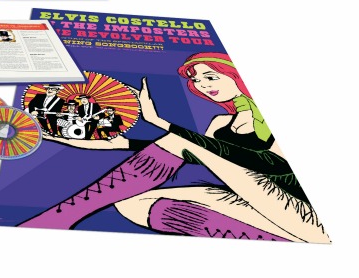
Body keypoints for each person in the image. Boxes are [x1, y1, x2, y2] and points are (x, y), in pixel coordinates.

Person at [18, 53, 329, 243]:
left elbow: (279, 167)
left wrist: (163, 124)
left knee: (180, 142)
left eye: (211, 76)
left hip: (304, 211)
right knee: (132, 204)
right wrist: (118, 144)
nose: (204, 84)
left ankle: (60, 217)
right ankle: (273, 238)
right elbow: (195, 156)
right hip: (257, 204)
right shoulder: (221, 122)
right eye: (198, 80)